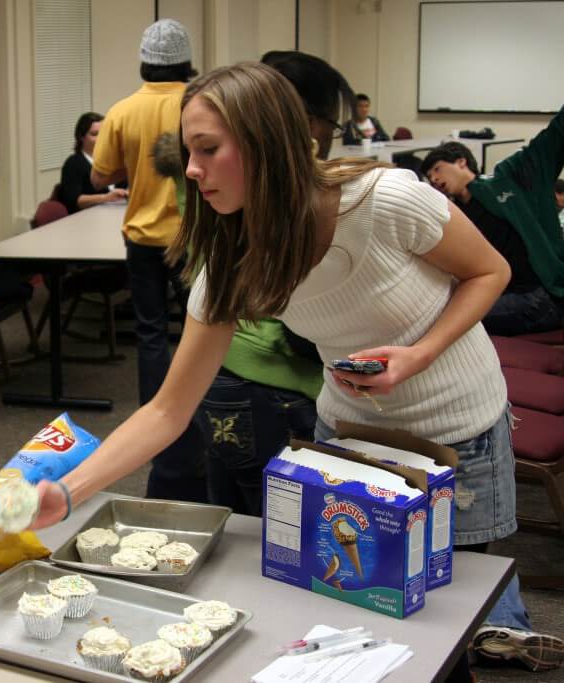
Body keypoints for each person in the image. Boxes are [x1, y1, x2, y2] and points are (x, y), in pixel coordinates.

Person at [31, 63, 563, 674]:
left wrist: (420, 353)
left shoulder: (384, 200)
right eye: (188, 153)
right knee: (362, 613)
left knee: (444, 625)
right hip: (353, 440)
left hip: (457, 432)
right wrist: (69, 493)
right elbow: (168, 409)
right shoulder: (233, 258)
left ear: (266, 141)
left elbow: (488, 271)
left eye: (208, 149)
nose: (193, 170)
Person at [183, 51, 353, 516]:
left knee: (236, 522)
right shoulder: (266, 199)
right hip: (270, 380)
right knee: (282, 530)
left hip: (227, 376)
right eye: (328, 125)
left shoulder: (233, 186)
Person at [90, 18, 204, 502]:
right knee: (202, 327)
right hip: (193, 235)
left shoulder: (122, 110)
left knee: (150, 331)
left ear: (144, 61)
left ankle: (154, 415)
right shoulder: (198, 105)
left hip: (141, 237)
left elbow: (99, 177)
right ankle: (197, 406)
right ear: (185, 60)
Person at [421, 138, 564, 336]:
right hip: (501, 293)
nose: (434, 179)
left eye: (437, 169)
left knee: (444, 319)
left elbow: (551, 139)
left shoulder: (505, 181)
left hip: (538, 297)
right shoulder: (454, 215)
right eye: (429, 176)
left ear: (461, 162)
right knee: (431, 312)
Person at [58, 112, 127, 214]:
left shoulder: (112, 159)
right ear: (81, 137)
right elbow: (74, 200)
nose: (100, 138)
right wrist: (106, 197)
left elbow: (125, 185)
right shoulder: (73, 164)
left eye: (103, 134)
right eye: (94, 134)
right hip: (87, 219)